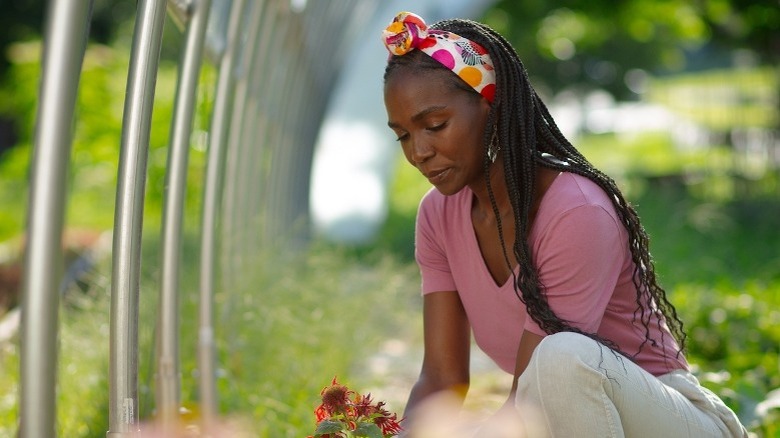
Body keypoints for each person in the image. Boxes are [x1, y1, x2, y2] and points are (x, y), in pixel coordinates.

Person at [381, 11, 747, 437]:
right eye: (403, 135)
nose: (418, 151)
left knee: (560, 357)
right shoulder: (437, 216)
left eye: (435, 125)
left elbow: (529, 402)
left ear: (492, 107)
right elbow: (443, 379)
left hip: (672, 422)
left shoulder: (576, 211)